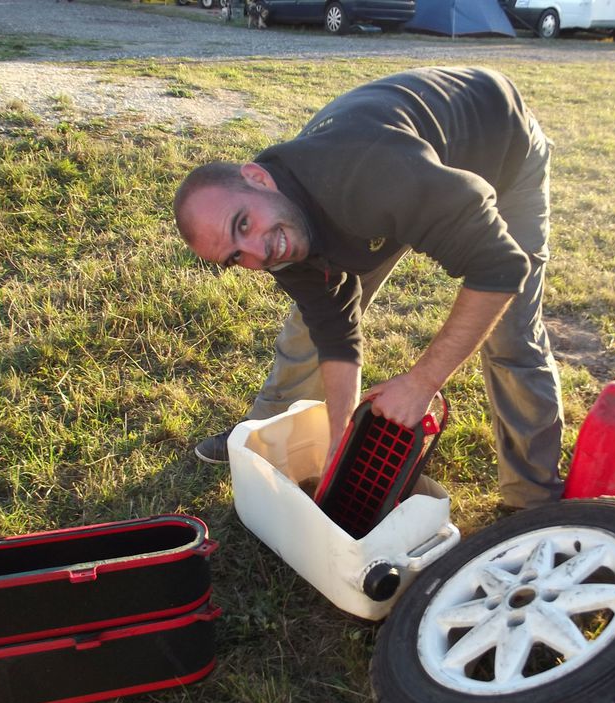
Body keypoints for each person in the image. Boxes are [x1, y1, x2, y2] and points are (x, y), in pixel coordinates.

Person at [173, 66, 564, 509]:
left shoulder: (363, 172)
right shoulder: (272, 235)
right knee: (309, 329)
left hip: (498, 141)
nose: (257, 253)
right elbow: (335, 330)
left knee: (511, 335)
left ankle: (532, 498)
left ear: (259, 178)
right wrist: (342, 439)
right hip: (404, 184)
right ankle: (261, 435)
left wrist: (421, 382)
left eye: (243, 223)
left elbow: (500, 267)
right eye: (235, 257)